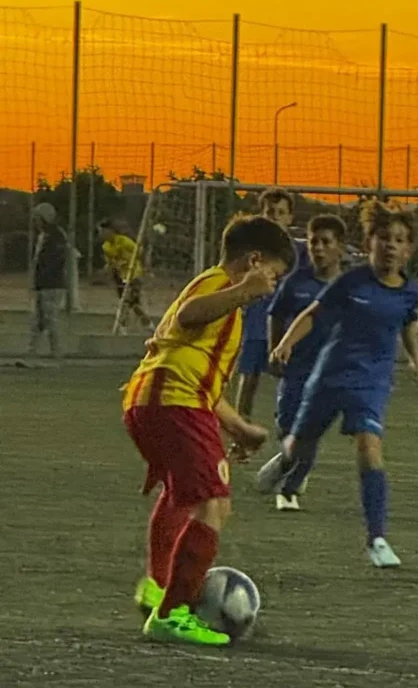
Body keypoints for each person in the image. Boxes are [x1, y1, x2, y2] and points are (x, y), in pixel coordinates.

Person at [123, 214, 295, 646]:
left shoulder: (219, 296)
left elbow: (196, 370)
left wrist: (239, 427)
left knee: (182, 497)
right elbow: (188, 314)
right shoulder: (219, 285)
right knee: (213, 505)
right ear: (255, 260)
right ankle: (173, 612)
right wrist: (243, 290)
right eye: (272, 274)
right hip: (172, 402)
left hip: (154, 401)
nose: (270, 286)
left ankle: (159, 586)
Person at [257, 201, 418, 568]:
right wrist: (285, 344)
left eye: (399, 240)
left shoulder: (410, 291)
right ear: (370, 242)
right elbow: (311, 314)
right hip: (330, 376)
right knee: (302, 446)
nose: (391, 246)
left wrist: (417, 360)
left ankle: (377, 539)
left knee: (369, 446)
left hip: (372, 383)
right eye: (384, 238)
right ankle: (286, 457)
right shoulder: (351, 282)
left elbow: (408, 325)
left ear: (408, 248)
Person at [264, 213, 347, 511]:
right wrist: (275, 349)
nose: (319, 248)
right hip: (296, 368)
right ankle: (289, 459)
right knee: (286, 427)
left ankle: (290, 488)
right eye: (314, 242)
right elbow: (275, 315)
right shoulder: (295, 283)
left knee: (310, 432)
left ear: (340, 247)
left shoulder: (350, 287)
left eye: (326, 242)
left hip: (329, 372)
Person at [230, 188, 307, 461]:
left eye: (280, 213)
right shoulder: (253, 252)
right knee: (248, 380)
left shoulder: (301, 251)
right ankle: (241, 440)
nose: (274, 217)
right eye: (269, 212)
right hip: (255, 321)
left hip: (286, 327)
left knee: (289, 384)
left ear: (289, 217)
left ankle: (290, 444)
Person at [98, 218, 152, 333]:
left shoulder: (124, 241)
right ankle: (146, 323)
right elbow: (111, 262)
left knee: (128, 300)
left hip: (133, 274)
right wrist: (108, 269)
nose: (102, 234)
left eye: (104, 231)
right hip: (120, 276)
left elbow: (139, 251)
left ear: (111, 231)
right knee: (132, 303)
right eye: (100, 232)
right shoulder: (106, 246)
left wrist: (129, 260)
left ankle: (122, 325)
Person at [28, 202, 67, 361]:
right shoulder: (44, 236)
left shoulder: (56, 236)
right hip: (43, 284)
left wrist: (43, 279)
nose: (35, 222)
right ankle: (32, 354)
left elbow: (54, 262)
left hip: (52, 285)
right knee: (38, 321)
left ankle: (56, 354)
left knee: (50, 320)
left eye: (37, 218)